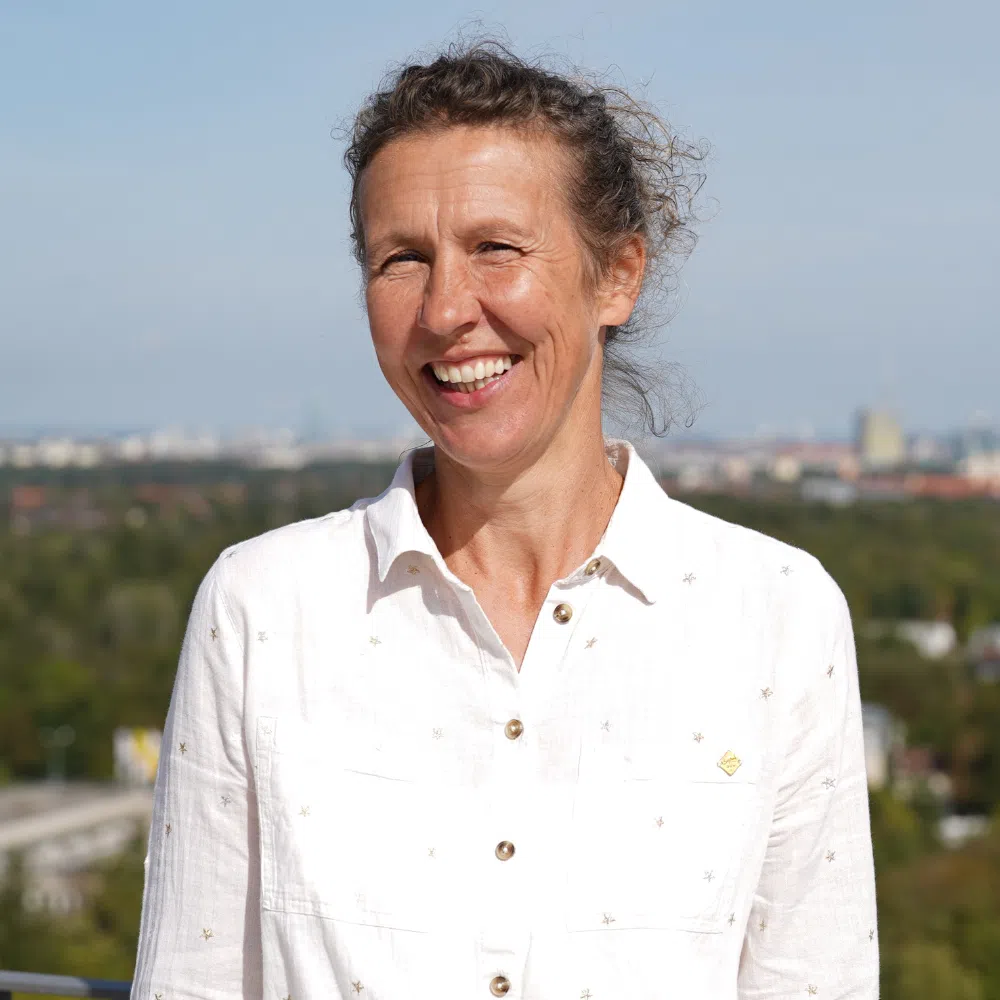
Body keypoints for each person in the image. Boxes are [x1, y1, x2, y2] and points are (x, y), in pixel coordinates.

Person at [131, 42, 878, 1000]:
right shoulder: (263, 609)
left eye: (497, 248)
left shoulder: (777, 616)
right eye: (402, 259)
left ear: (617, 276)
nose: (446, 309)